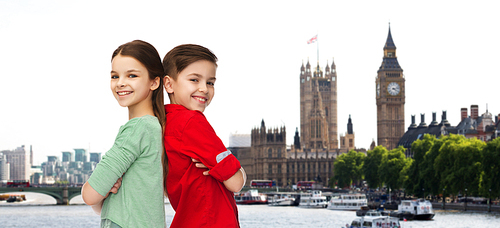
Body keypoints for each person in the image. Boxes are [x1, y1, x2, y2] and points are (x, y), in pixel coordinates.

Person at [82, 40, 166, 228]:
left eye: (132, 75)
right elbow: (104, 204)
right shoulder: (156, 127)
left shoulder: (137, 129)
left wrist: (100, 189)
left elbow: (90, 195)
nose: (120, 83)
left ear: (154, 82)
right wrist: (105, 191)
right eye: (114, 76)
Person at [163, 44, 246, 227]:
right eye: (194, 80)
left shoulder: (165, 122)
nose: (204, 89)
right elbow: (236, 182)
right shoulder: (192, 122)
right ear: (169, 84)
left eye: (210, 82)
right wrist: (234, 167)